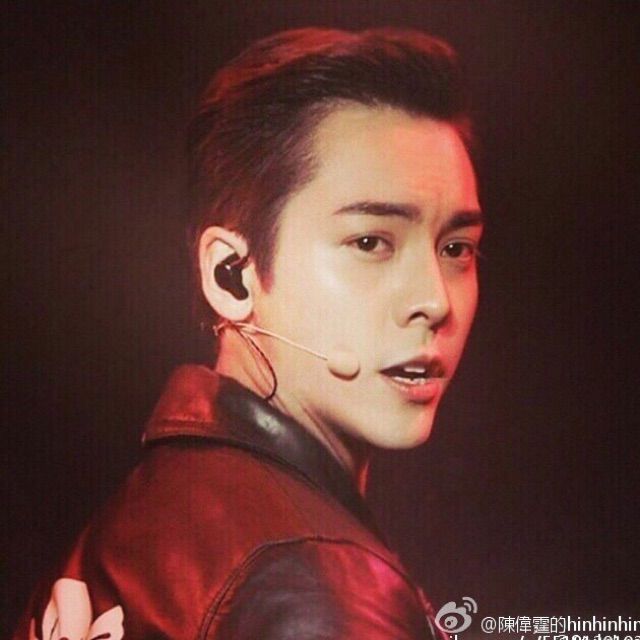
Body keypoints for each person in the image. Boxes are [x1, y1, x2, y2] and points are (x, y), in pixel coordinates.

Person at [15, 27, 484, 639]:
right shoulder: (313, 585)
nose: (435, 300)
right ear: (232, 276)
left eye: (456, 247)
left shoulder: (144, 516)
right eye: (371, 242)